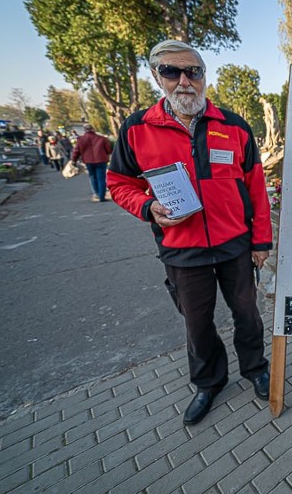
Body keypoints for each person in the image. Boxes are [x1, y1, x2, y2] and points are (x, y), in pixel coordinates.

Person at [108, 40, 273, 426]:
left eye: (193, 71)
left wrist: (261, 241)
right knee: (197, 323)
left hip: (235, 246)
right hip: (181, 250)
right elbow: (118, 183)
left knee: (248, 315)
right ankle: (208, 382)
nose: (184, 81)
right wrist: (147, 207)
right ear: (157, 77)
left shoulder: (233, 126)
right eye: (172, 72)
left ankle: (255, 369)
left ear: (203, 76)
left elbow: (255, 187)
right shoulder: (137, 129)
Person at [71, 123, 113, 202]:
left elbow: (76, 151)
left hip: (88, 161)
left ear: (84, 130)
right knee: (101, 178)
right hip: (101, 160)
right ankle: (102, 196)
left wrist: (74, 160)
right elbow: (108, 149)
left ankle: (96, 194)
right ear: (93, 129)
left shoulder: (80, 139)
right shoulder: (101, 138)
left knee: (92, 177)